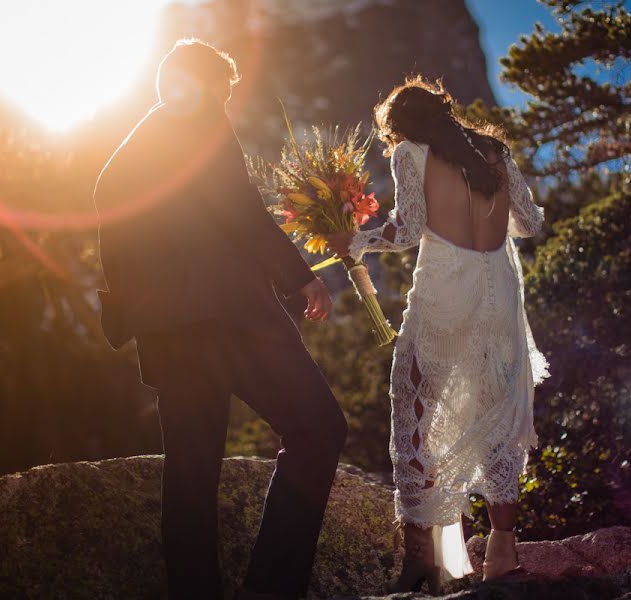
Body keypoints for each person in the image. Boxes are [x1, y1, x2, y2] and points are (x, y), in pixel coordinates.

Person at [93, 39, 347, 600]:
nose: (224, 102)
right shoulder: (202, 121)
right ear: (206, 84)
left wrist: (144, 310)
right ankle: (271, 589)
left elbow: (110, 227)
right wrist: (301, 275)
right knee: (320, 428)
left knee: (190, 474)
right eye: (224, 91)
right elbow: (239, 208)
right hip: (231, 321)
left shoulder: (128, 154)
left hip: (166, 335)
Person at [327, 77, 549, 593]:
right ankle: (502, 553)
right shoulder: (494, 151)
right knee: (497, 417)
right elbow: (532, 223)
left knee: (416, 410)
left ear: (400, 126)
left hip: (446, 294)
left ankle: (422, 561)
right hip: (497, 292)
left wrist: (354, 241)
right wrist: (489, 228)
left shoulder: (410, 153)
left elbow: (405, 231)